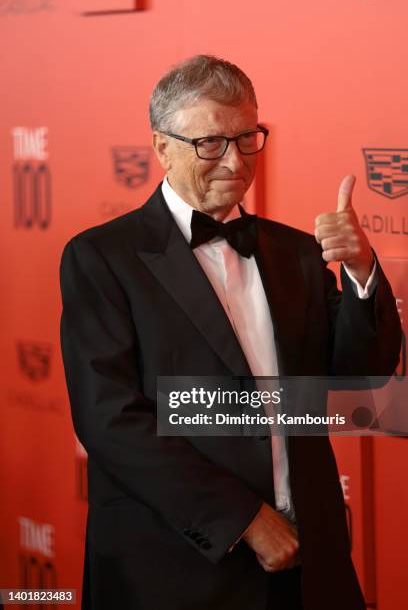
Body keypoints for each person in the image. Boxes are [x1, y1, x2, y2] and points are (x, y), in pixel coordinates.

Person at [59, 55, 401, 610]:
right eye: (211, 144)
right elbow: (110, 419)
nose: (236, 161)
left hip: (311, 563)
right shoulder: (102, 258)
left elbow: (361, 379)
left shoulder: (294, 250)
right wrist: (245, 521)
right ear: (161, 146)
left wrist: (361, 272)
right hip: (178, 567)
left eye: (248, 138)